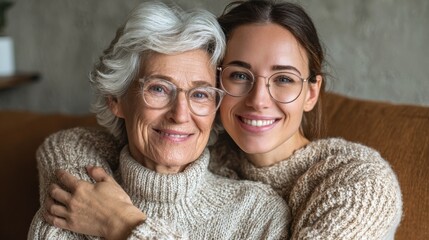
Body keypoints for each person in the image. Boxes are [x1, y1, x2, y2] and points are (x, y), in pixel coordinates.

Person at [40, 0, 403, 239]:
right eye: (240, 76)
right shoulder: (200, 149)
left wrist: (122, 225)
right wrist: (74, 180)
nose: (259, 100)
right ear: (217, 87)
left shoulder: (359, 184)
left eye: (284, 79)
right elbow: (71, 144)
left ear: (311, 92)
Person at [27, 1, 290, 239]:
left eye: (200, 94)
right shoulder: (79, 200)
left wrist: (122, 226)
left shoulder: (257, 214)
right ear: (116, 99)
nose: (180, 114)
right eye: (159, 89)